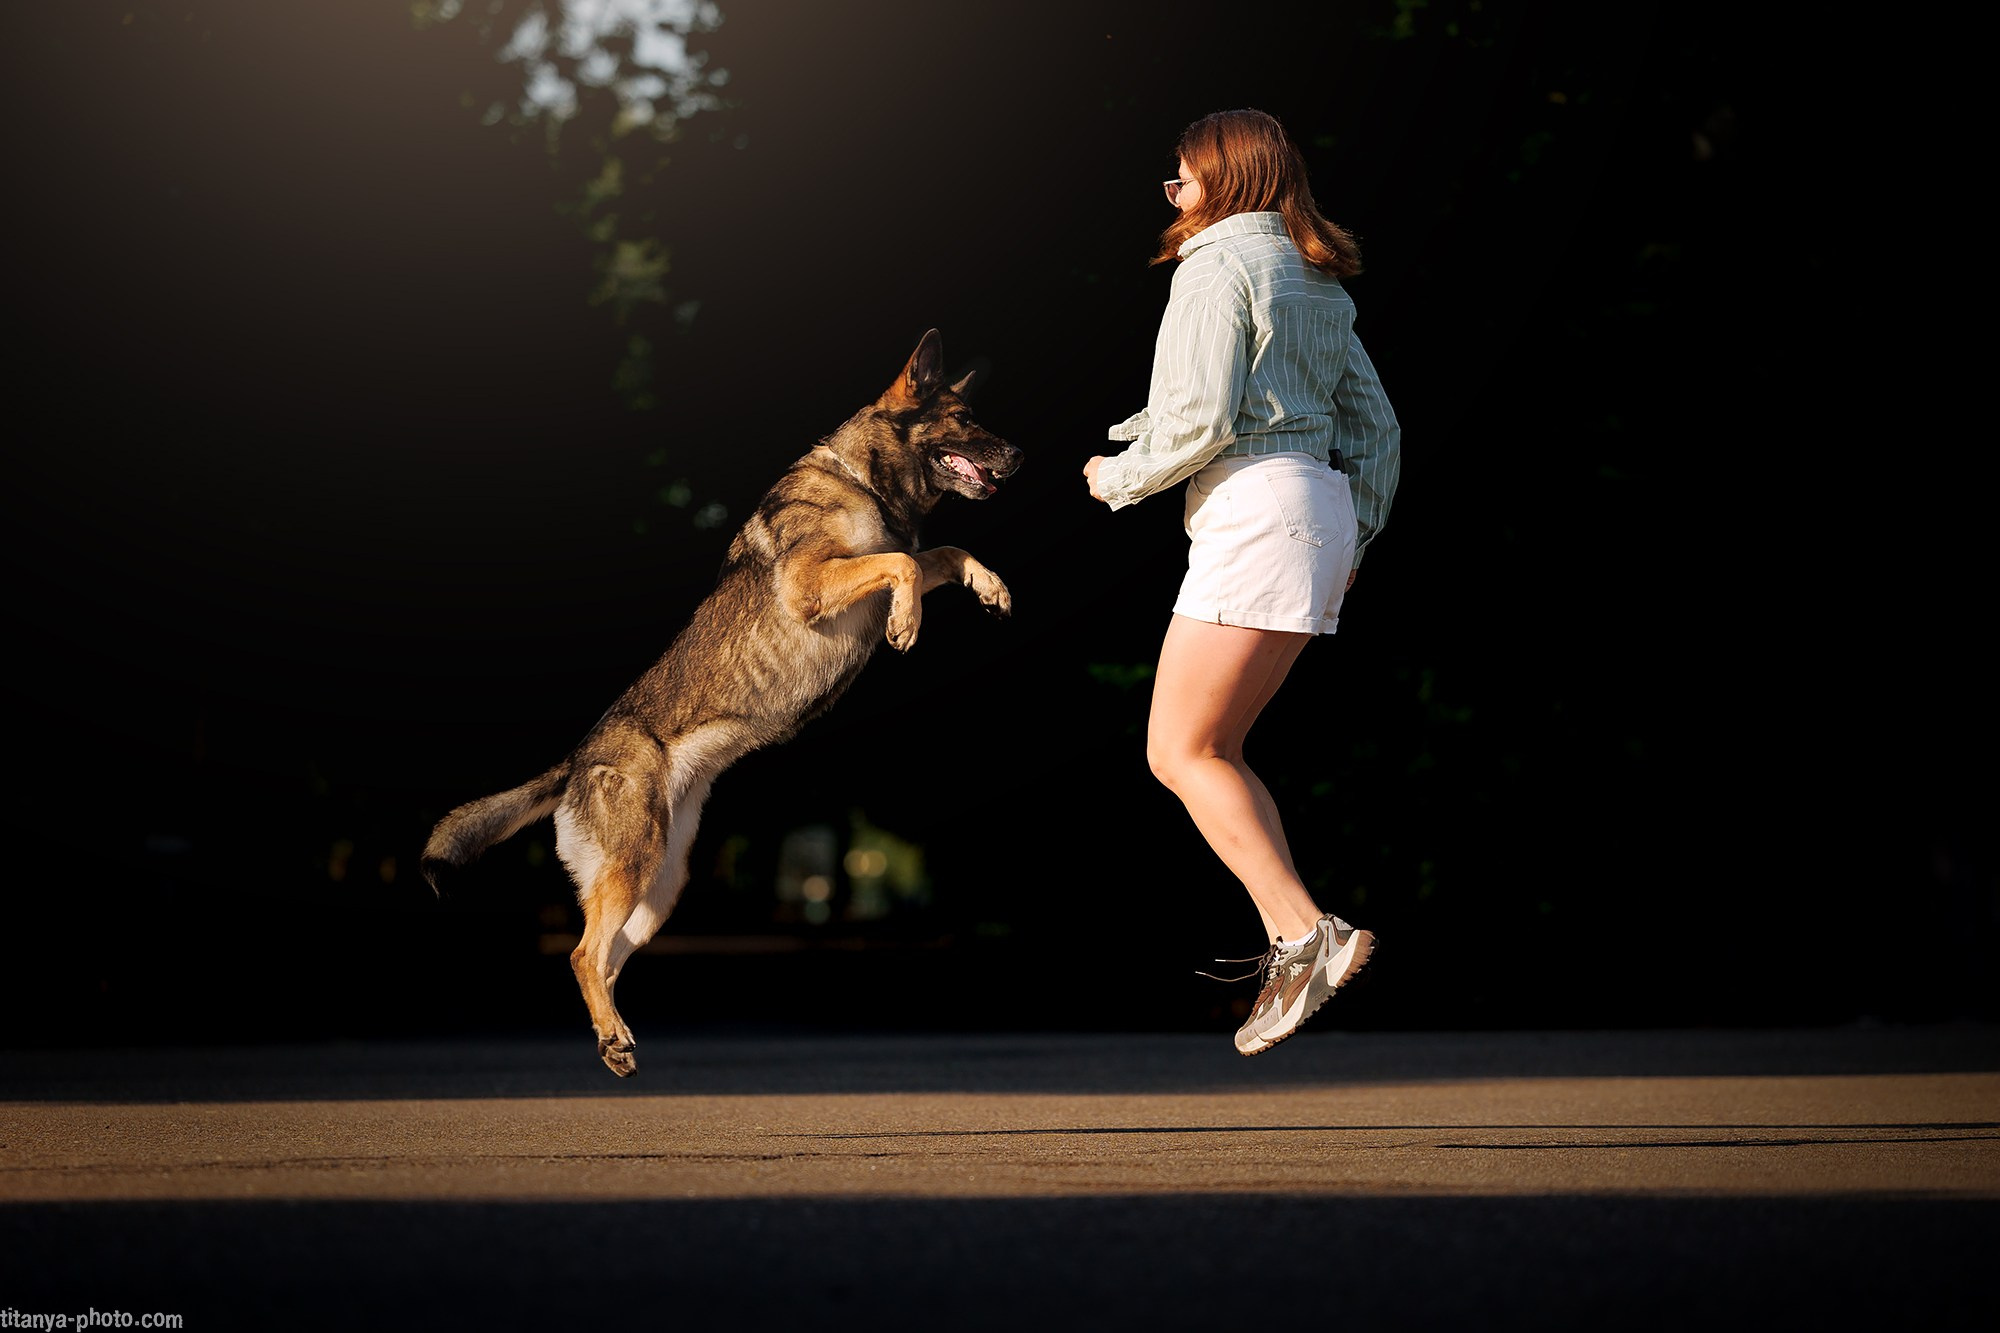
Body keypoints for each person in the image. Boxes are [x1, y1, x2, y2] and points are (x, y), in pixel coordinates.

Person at [1083, 108, 1402, 1056]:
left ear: (1226, 179)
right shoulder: (1315, 277)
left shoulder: (1214, 267)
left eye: (1181, 176)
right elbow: (1376, 428)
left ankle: (1308, 934)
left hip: (1257, 512)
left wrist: (1118, 477)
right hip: (1319, 514)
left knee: (1177, 752)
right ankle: (1293, 942)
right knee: (1215, 746)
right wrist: (1355, 532)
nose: (1172, 193)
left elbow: (1203, 416)